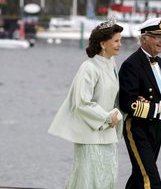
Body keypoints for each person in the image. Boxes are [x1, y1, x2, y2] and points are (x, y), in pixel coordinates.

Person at [48, 17, 123, 189]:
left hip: (108, 135)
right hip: (89, 135)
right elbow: (81, 102)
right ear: (103, 44)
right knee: (88, 182)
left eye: (120, 41)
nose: (120, 44)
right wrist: (106, 118)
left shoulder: (112, 64)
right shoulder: (88, 68)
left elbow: (114, 98)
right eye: (116, 41)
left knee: (108, 180)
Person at [118, 18, 161, 189]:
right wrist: (157, 108)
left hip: (157, 128)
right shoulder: (131, 65)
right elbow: (127, 103)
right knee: (151, 179)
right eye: (157, 36)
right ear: (144, 38)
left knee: (139, 177)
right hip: (137, 128)